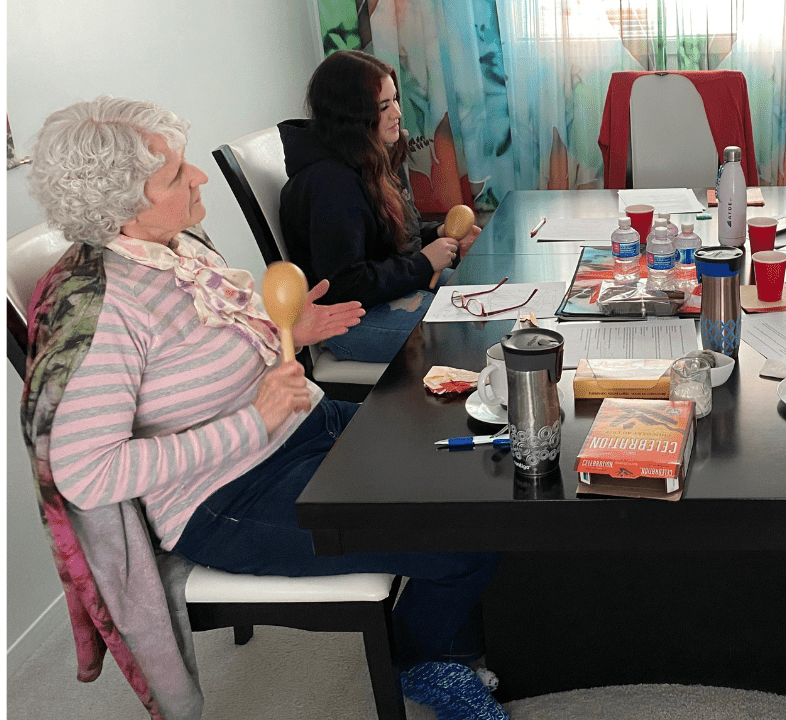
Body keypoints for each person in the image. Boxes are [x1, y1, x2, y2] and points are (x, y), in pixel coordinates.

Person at [22, 97, 503, 717]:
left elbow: (203, 350)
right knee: (464, 537)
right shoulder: (103, 309)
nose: (197, 177)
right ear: (122, 208)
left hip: (305, 428)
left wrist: (290, 334)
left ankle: (467, 634)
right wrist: (253, 420)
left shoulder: (175, 245)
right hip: (225, 498)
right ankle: (424, 661)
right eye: (174, 175)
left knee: (474, 470)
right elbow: (84, 474)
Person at [279, 49, 481, 363]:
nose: (397, 113)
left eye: (395, 100)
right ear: (351, 115)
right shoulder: (331, 183)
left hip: (386, 295)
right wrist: (424, 264)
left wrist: (436, 233)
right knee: (467, 337)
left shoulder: (364, 157)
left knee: (487, 303)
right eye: (383, 106)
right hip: (349, 322)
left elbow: (380, 239)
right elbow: (345, 284)